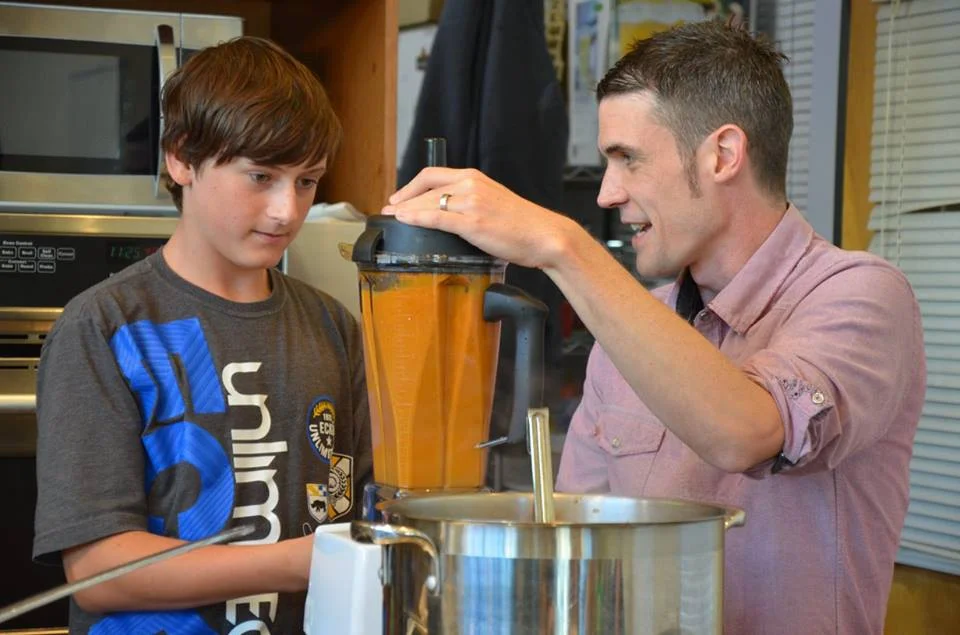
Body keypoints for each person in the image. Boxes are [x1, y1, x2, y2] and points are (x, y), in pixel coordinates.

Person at [383, 19, 925, 635]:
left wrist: (562, 244)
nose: (608, 194)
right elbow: (569, 550)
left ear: (722, 155)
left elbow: (745, 433)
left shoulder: (861, 294)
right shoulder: (624, 335)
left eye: (628, 159)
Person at [33, 37, 371, 634]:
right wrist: (300, 563)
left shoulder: (333, 327)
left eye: (307, 181)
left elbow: (369, 509)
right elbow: (99, 569)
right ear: (182, 159)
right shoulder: (103, 327)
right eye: (261, 176)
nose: (285, 211)